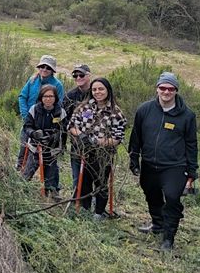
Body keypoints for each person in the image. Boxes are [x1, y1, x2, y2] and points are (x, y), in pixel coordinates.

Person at [128, 72, 199, 252]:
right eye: (163, 88)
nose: (166, 92)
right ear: (157, 89)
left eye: (170, 89)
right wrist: (134, 158)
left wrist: (192, 171)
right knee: (151, 194)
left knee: (173, 198)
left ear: (176, 91)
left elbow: (191, 144)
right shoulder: (144, 110)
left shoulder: (187, 116)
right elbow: (136, 136)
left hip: (175, 166)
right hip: (149, 163)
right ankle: (157, 224)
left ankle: (168, 238)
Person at [67, 77, 126, 221]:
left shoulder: (116, 113)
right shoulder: (83, 108)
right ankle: (85, 210)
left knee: (101, 183)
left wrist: (100, 142)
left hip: (103, 155)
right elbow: (71, 126)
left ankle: (99, 213)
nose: (97, 92)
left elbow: (117, 138)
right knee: (84, 182)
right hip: (83, 152)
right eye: (94, 89)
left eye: (101, 89)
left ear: (108, 90)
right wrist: (81, 136)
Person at [17, 55, 65, 173]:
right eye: (42, 66)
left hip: (46, 126)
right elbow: (22, 97)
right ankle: (20, 174)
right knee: (24, 149)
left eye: (47, 68)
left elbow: (58, 107)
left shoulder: (57, 85)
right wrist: (26, 115)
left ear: (52, 70)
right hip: (29, 122)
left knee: (45, 155)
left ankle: (48, 184)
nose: (44, 69)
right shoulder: (32, 80)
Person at [22, 85, 66, 198]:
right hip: (35, 147)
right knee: (27, 173)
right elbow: (27, 127)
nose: (48, 99)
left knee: (51, 173)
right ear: (41, 97)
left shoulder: (60, 112)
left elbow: (63, 131)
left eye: (51, 96)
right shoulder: (34, 109)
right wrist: (33, 133)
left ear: (55, 97)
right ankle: (21, 191)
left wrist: (53, 137)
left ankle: (52, 193)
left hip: (52, 149)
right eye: (45, 96)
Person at [63, 64, 94, 193]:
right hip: (77, 142)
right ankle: (77, 200)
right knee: (77, 175)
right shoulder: (70, 96)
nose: (78, 77)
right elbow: (64, 119)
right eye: (75, 75)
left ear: (89, 75)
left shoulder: (97, 92)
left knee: (94, 175)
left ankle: (95, 204)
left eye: (81, 75)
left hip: (96, 143)